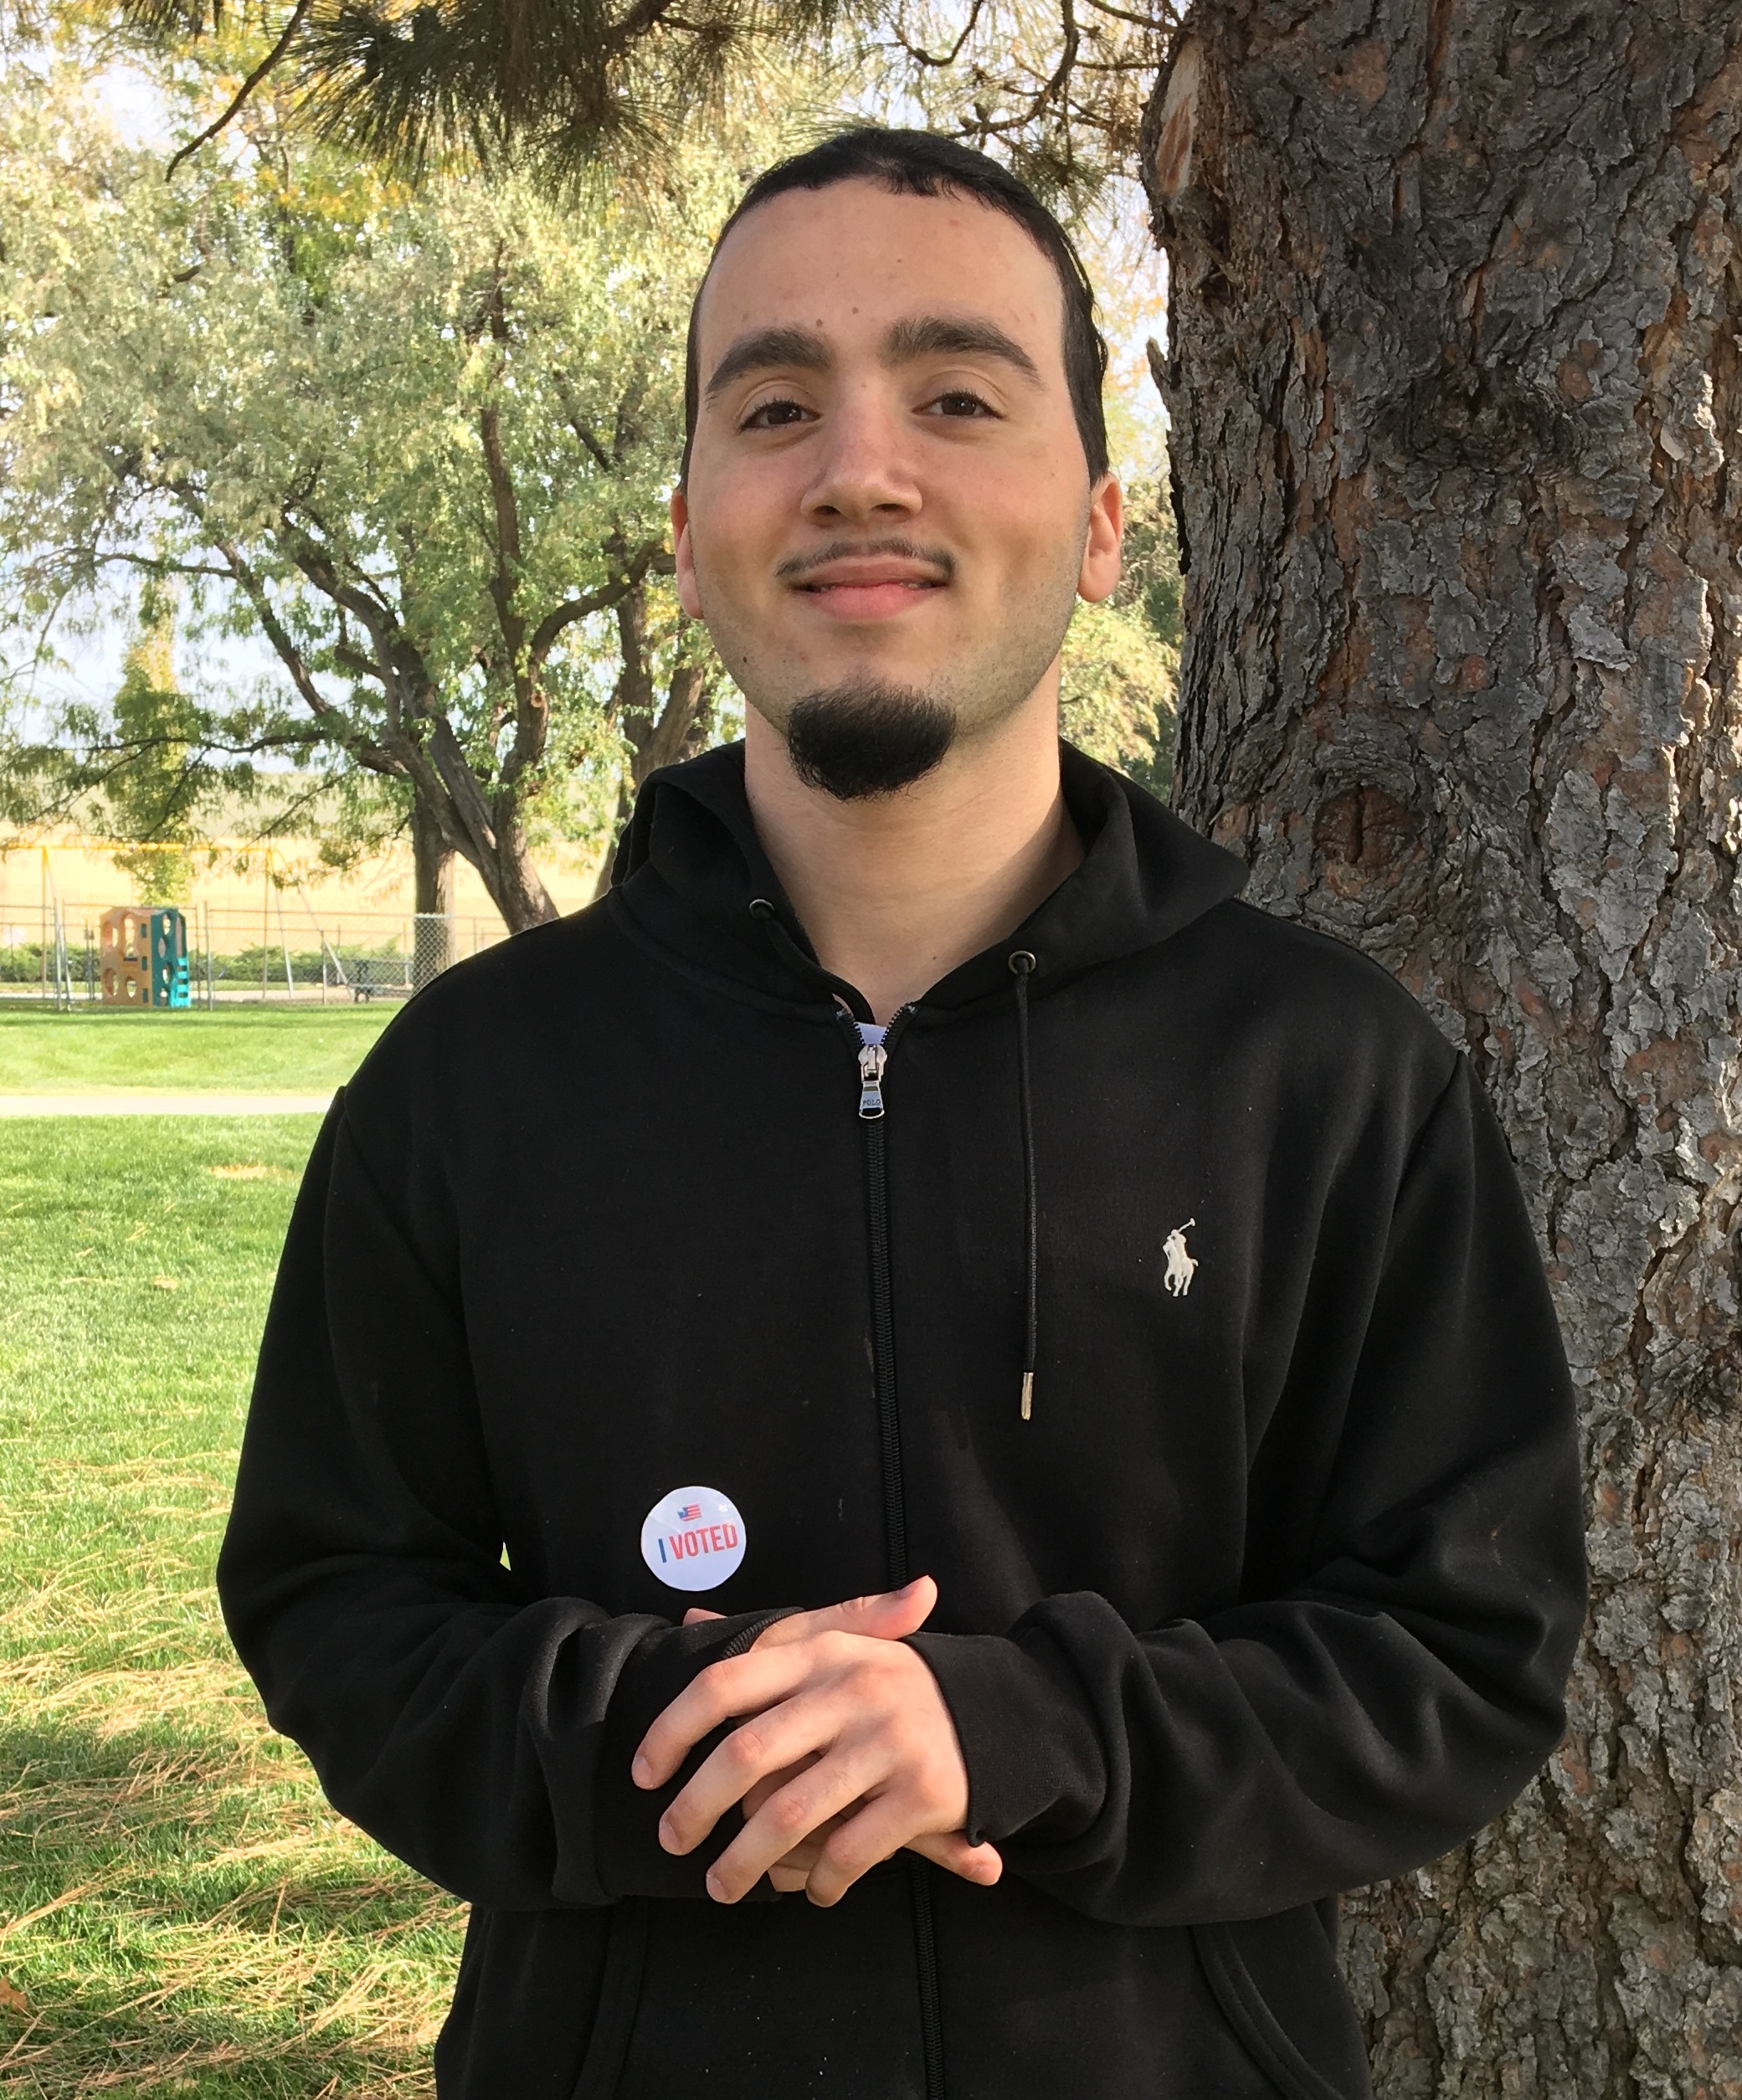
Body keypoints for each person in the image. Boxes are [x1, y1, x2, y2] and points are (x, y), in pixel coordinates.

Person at [218, 128, 1586, 2100]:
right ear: (689, 525)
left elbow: (1463, 1648)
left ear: (1105, 522)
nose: (862, 466)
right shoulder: (470, 1088)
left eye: (956, 393)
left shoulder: (1332, 1076)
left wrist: (1024, 1730)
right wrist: (689, 1739)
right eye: (777, 403)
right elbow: (338, 1604)